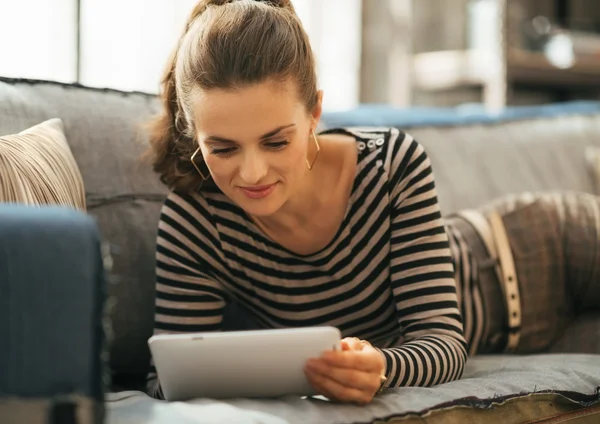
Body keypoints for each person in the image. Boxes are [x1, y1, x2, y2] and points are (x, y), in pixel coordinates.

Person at [144, 0, 600, 404]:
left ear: (314, 115)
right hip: (525, 341)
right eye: (223, 149)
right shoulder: (196, 222)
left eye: (276, 142)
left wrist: (382, 365)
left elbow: (442, 341)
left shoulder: (389, 165)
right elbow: (169, 379)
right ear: (194, 135)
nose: (252, 173)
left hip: (543, 249)